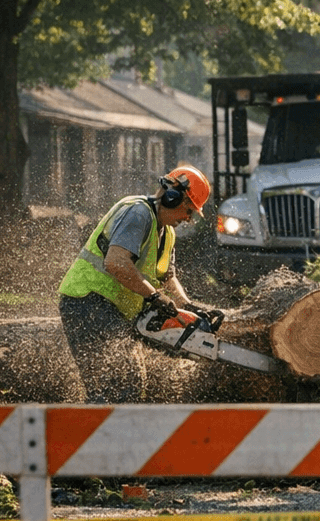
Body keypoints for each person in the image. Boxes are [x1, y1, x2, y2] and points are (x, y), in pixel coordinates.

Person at [58, 165, 210, 402]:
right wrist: (155, 297)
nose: (189, 219)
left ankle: (102, 430)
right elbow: (116, 262)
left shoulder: (166, 232)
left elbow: (168, 276)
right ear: (172, 197)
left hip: (112, 309)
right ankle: (95, 433)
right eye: (189, 210)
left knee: (127, 382)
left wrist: (187, 306)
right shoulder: (138, 213)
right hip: (87, 301)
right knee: (120, 381)